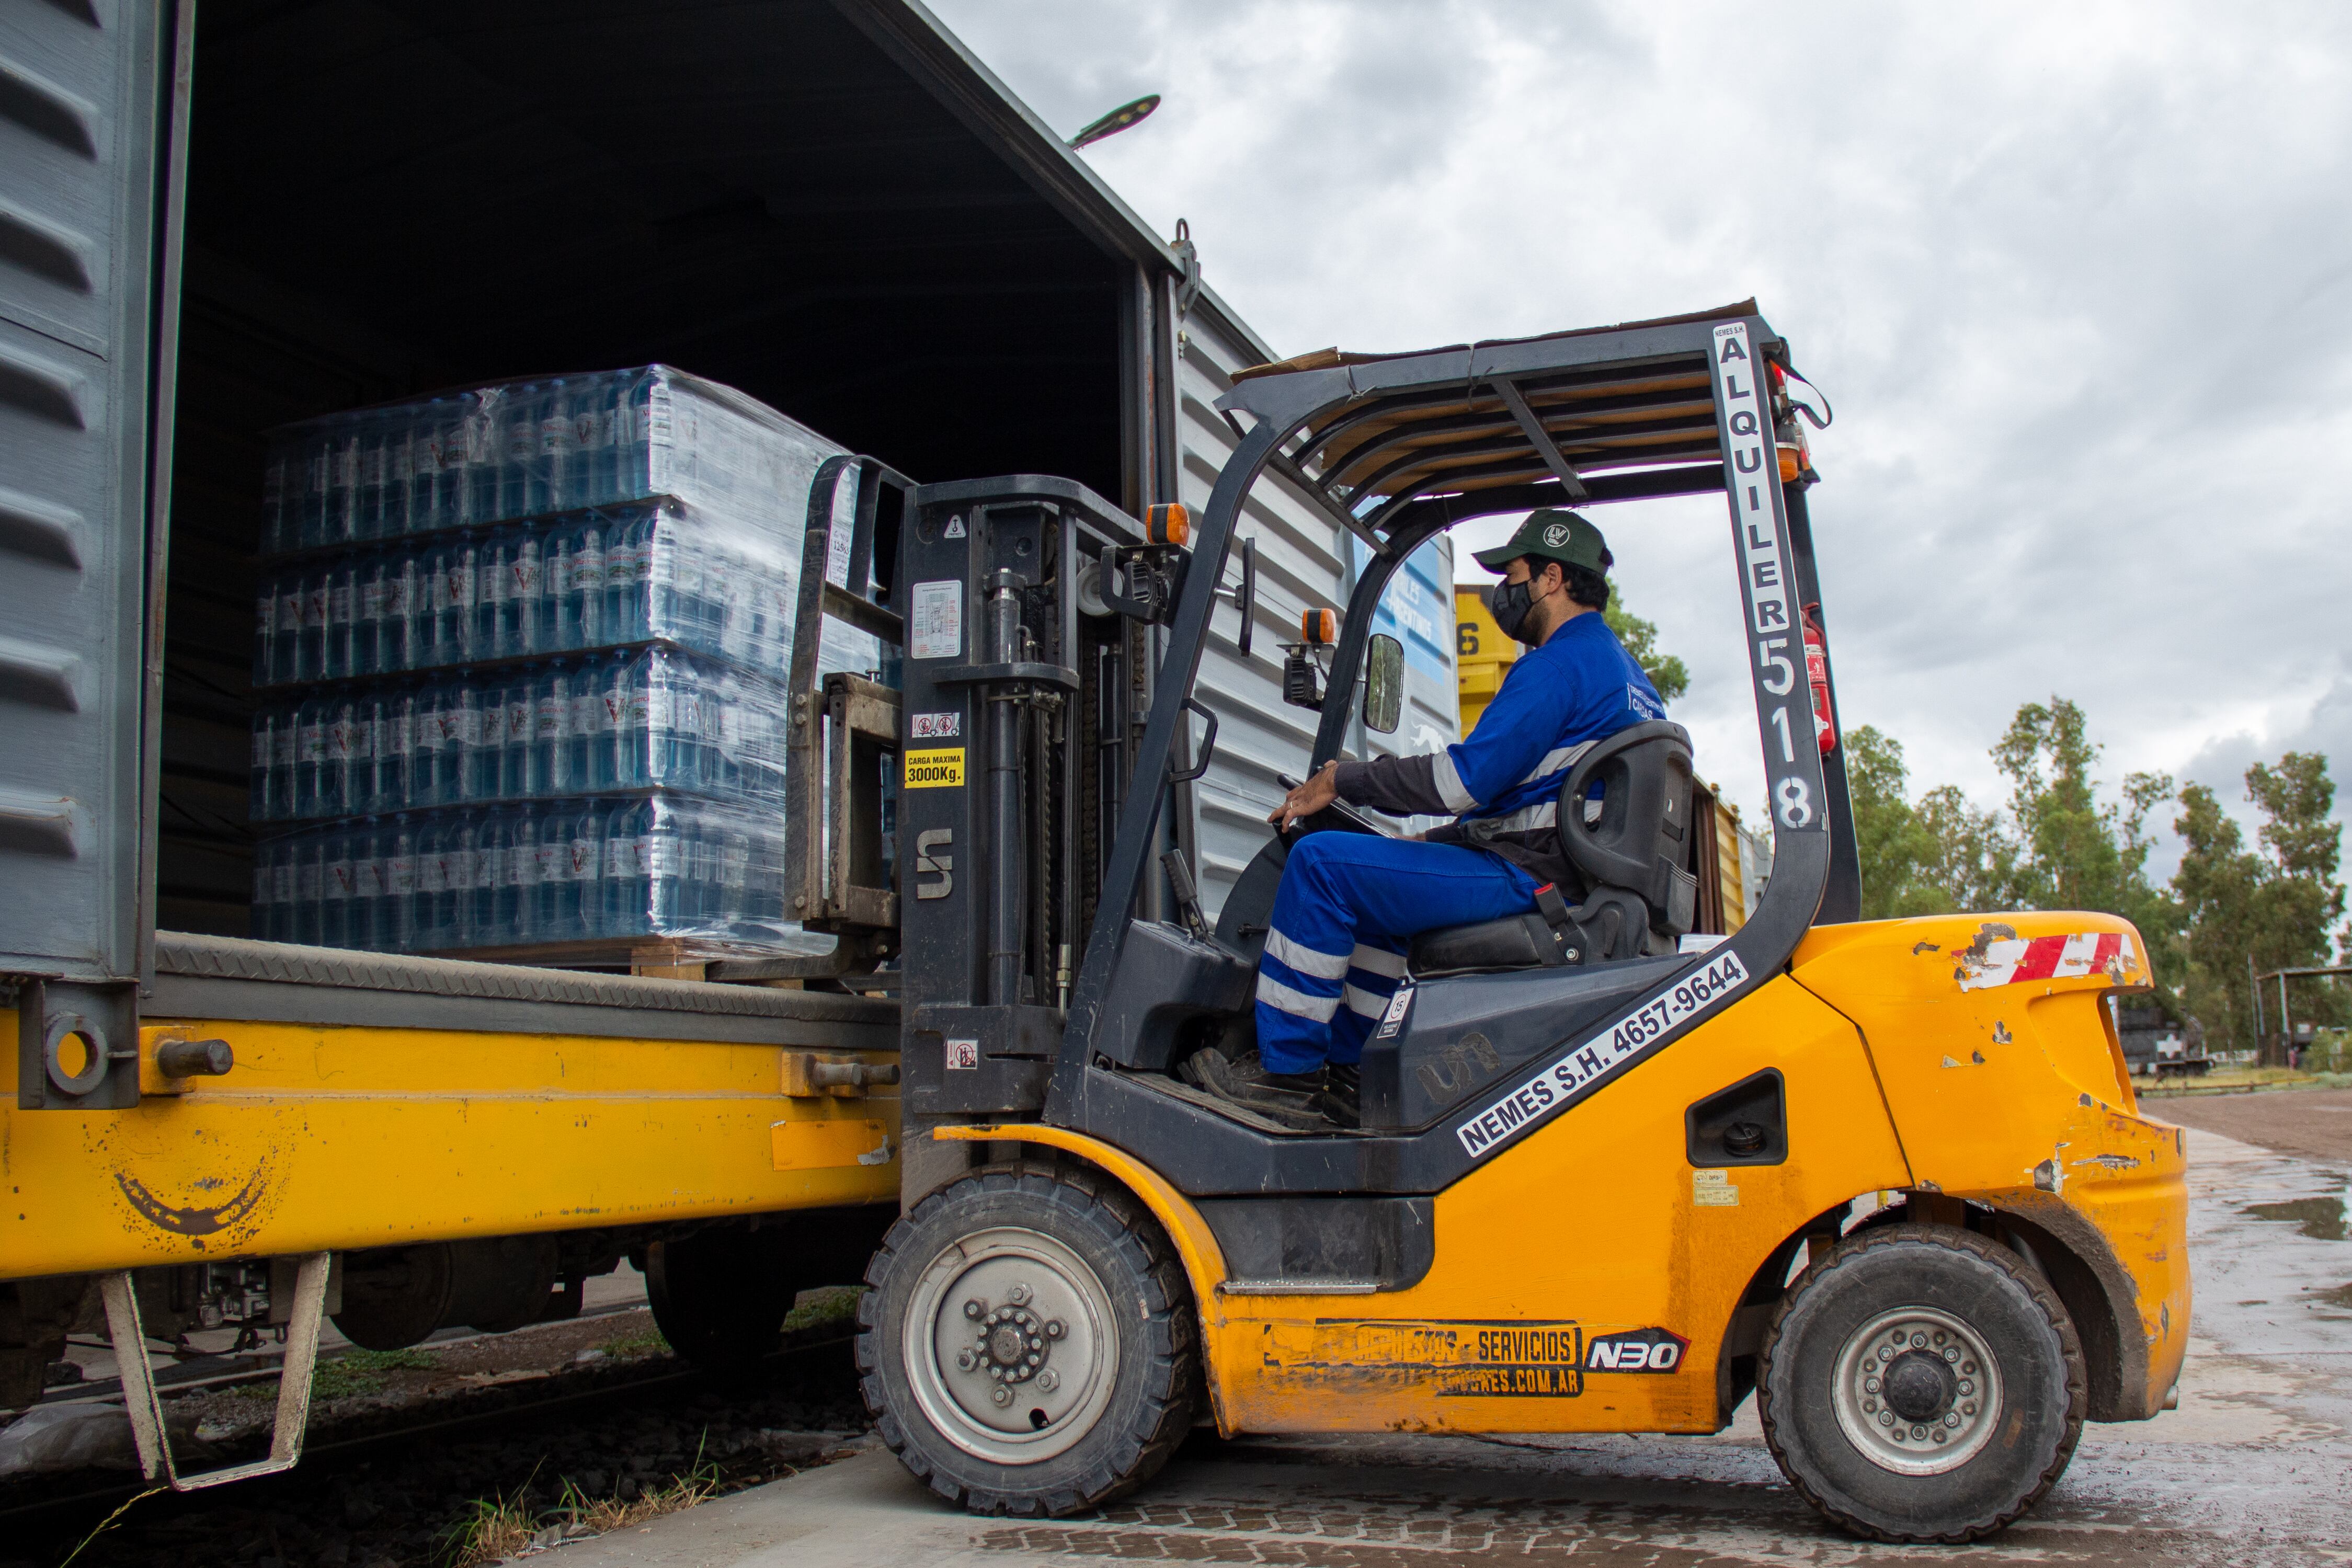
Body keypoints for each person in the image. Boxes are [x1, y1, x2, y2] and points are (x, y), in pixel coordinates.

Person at [1192, 509, 1667, 1128]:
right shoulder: (1628, 677)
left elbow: (1462, 782)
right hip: (1564, 877)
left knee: (1321, 864)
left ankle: (1287, 1075)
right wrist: (1430, 840)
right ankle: (1350, 1074)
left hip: (1531, 880)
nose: (1506, 590)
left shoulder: (1556, 667)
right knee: (1381, 897)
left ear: (1552, 578)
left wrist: (1344, 778)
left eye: (1514, 574)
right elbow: (1531, 798)